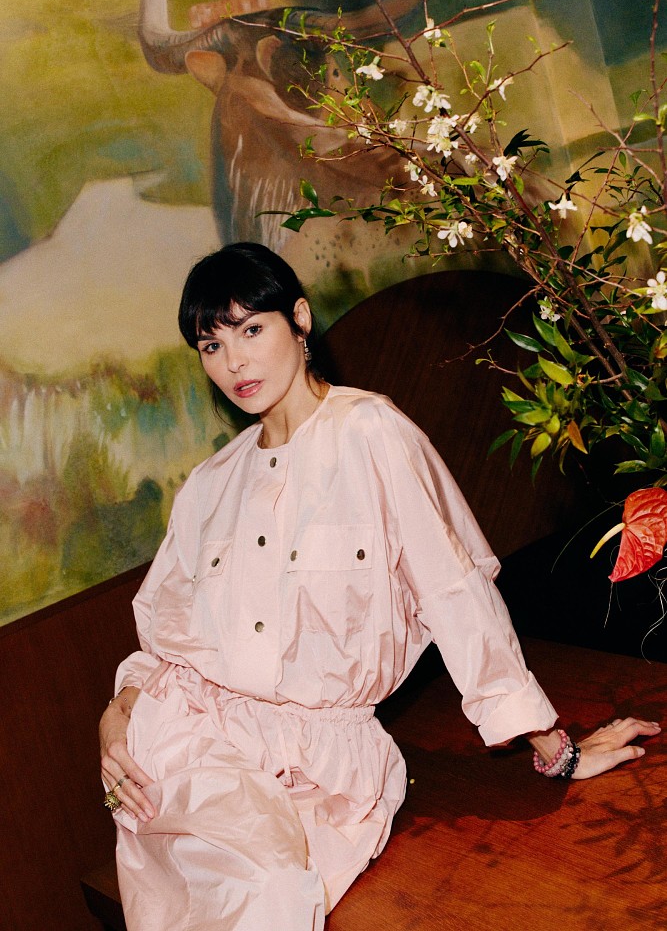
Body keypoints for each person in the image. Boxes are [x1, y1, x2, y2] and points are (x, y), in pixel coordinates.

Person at [99, 242, 660, 931]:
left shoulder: (371, 432)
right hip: (191, 748)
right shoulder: (209, 485)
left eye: (251, 329)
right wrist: (119, 712)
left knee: (266, 899)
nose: (234, 362)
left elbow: (454, 595)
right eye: (211, 345)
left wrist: (556, 748)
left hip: (327, 771)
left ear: (299, 319)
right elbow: (165, 641)